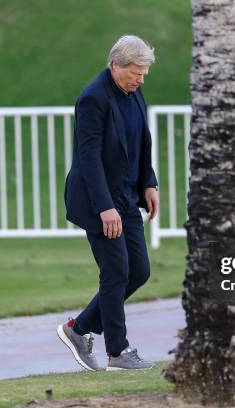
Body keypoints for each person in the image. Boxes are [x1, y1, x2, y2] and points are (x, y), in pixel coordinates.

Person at [57, 35, 160, 371]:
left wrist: (149, 182)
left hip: (128, 196)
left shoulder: (133, 91)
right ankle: (118, 352)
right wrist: (105, 207)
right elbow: (88, 158)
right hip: (97, 200)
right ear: (116, 65)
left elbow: (140, 141)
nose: (141, 79)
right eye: (136, 72)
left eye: (144, 73)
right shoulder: (93, 98)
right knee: (116, 271)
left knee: (139, 271)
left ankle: (79, 328)